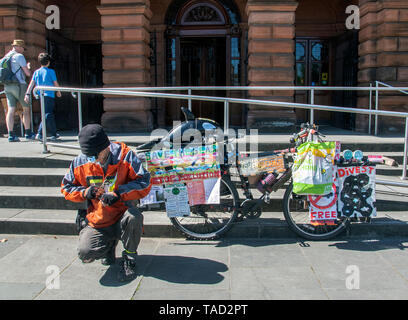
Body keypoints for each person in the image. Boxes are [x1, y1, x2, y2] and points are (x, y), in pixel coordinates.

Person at [61, 124, 152, 282]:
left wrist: (119, 193)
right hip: (99, 219)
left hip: (123, 214)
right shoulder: (80, 162)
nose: (92, 159)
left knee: (133, 217)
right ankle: (108, 247)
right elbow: (66, 188)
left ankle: (129, 259)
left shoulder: (125, 156)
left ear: (106, 147)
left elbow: (145, 183)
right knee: (85, 252)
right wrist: (85, 192)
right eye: (88, 155)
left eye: (95, 155)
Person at [3, 39, 35, 142]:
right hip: (19, 85)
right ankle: (28, 133)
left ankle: (11, 135)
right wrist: (28, 67)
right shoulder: (19, 56)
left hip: (7, 86)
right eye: (22, 48)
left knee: (11, 110)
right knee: (26, 109)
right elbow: (28, 74)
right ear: (18, 47)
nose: (23, 50)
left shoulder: (5, 57)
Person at [24, 52, 61, 141]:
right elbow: (55, 83)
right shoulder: (51, 71)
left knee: (49, 114)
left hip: (41, 96)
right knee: (47, 114)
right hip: (49, 95)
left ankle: (53, 133)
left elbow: (31, 84)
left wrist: (27, 93)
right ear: (48, 62)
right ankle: (40, 133)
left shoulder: (36, 72)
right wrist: (58, 91)